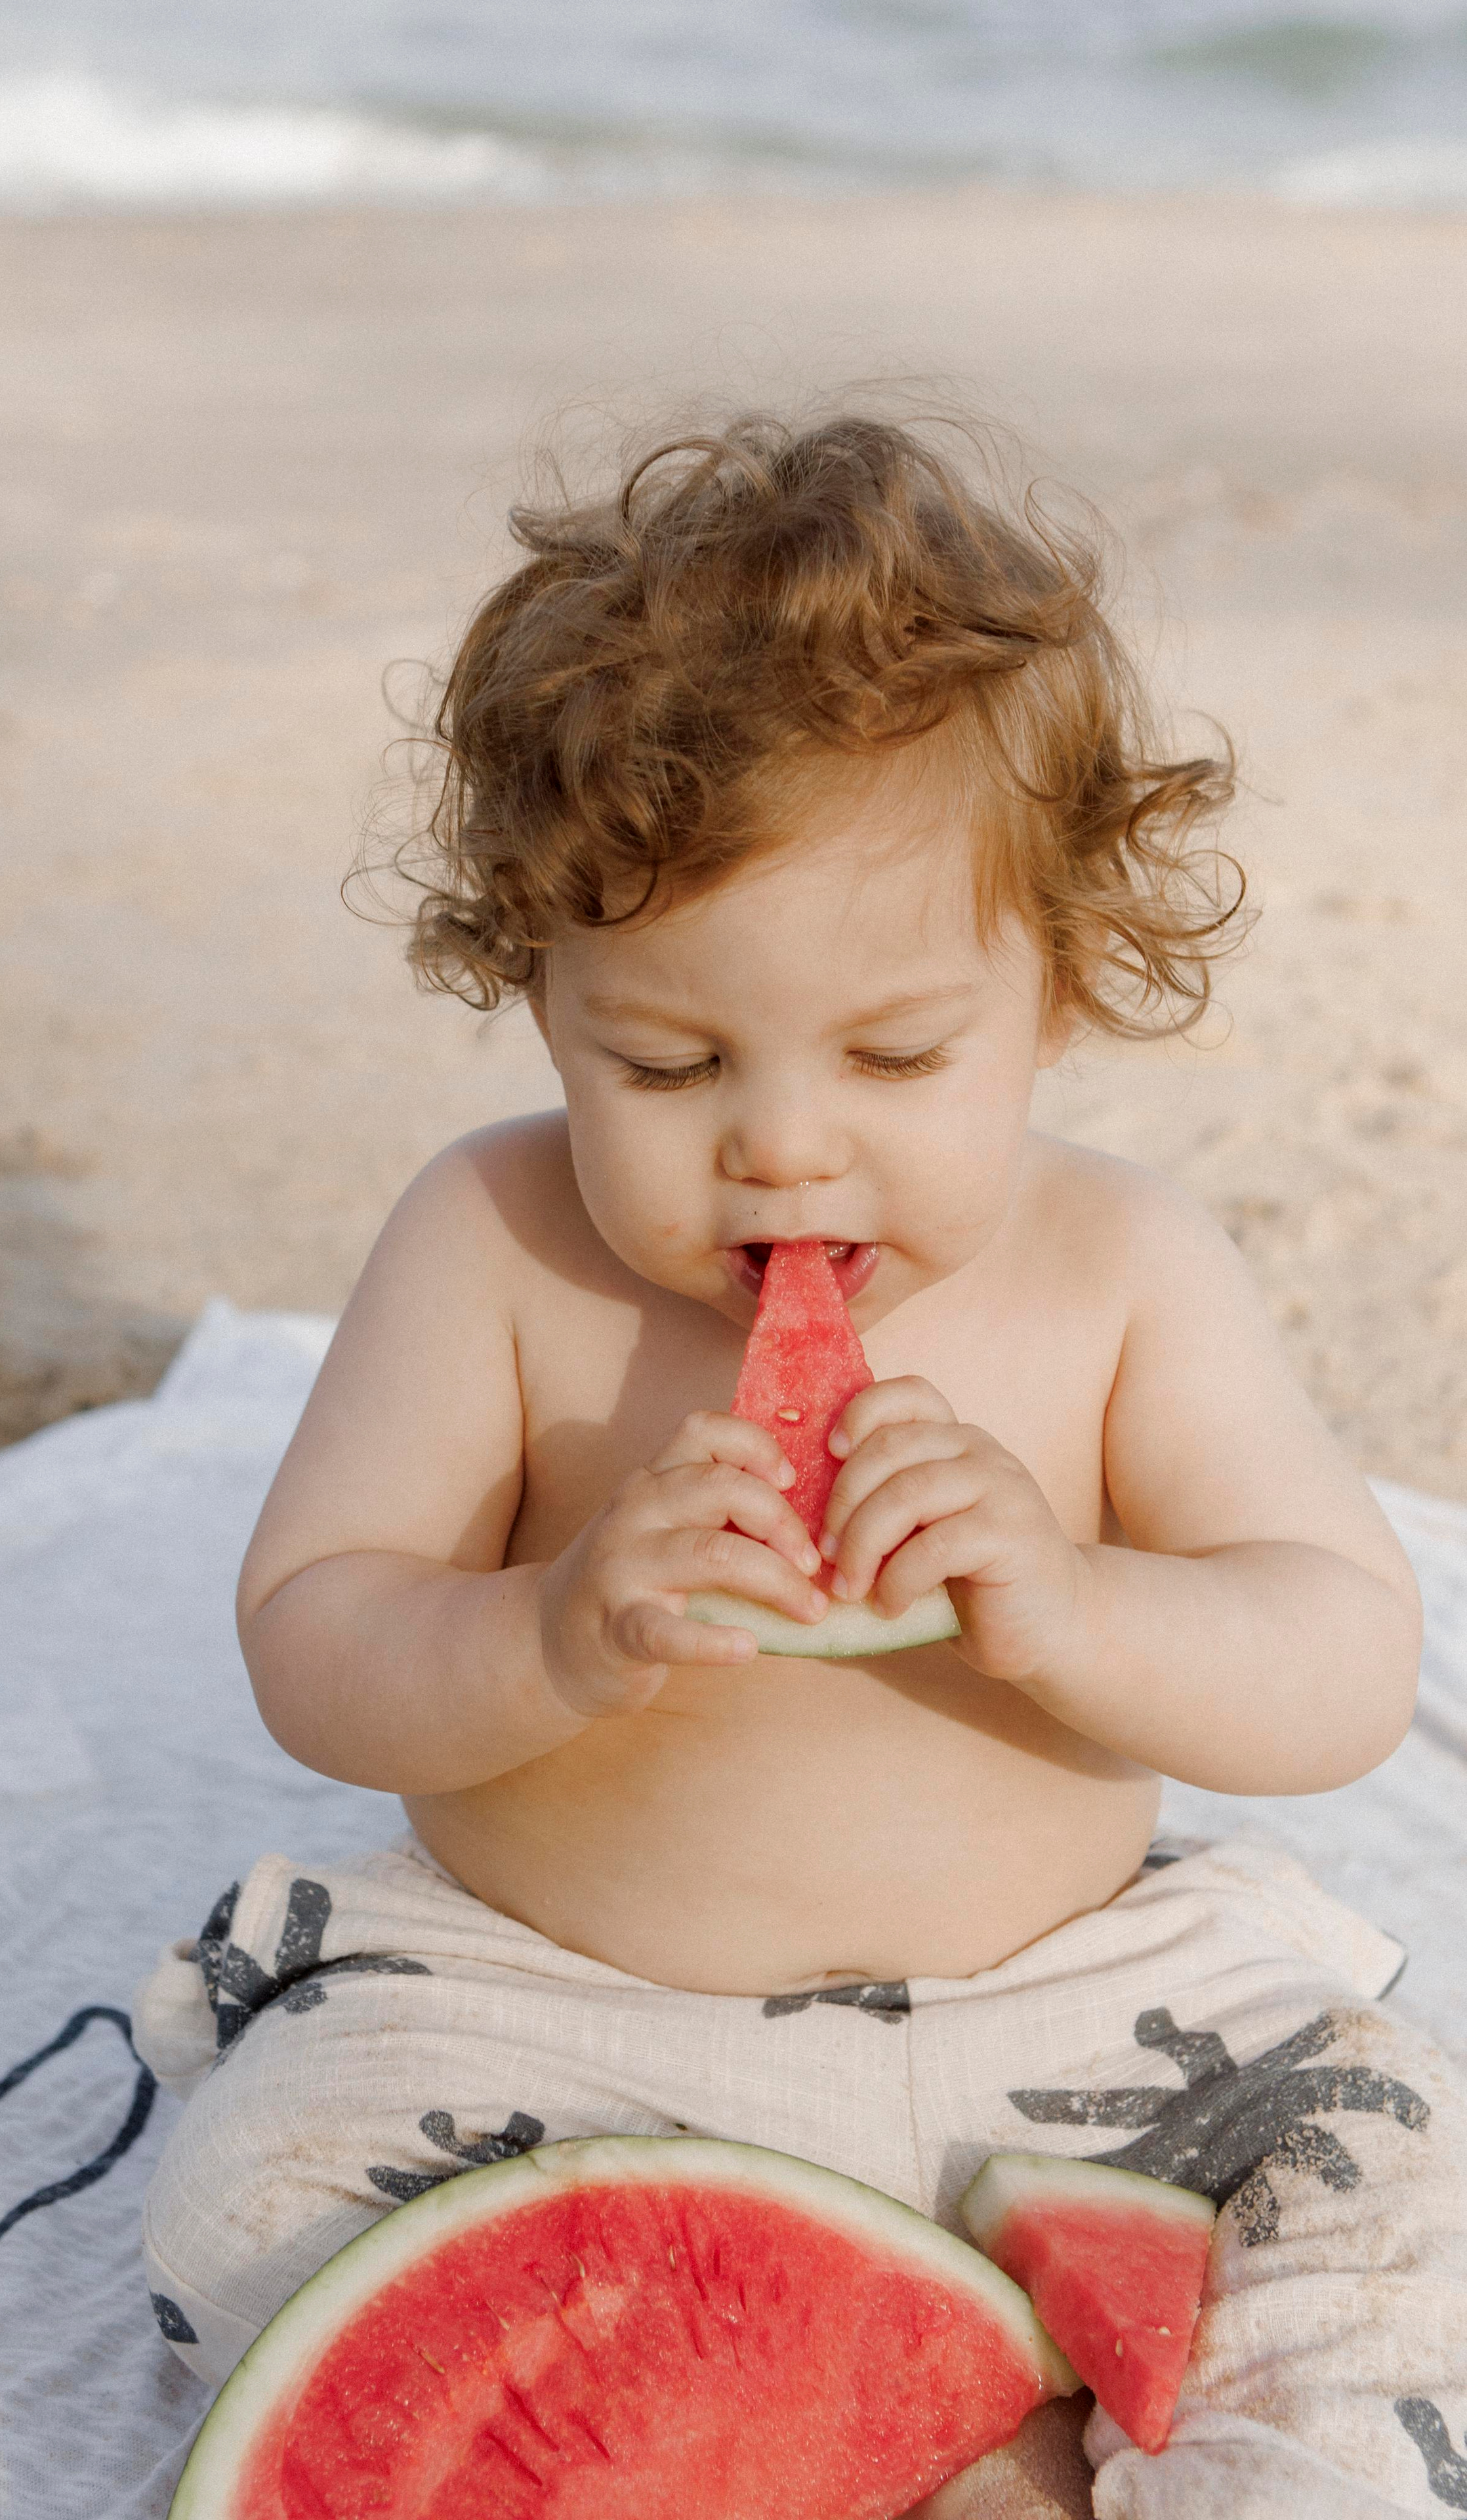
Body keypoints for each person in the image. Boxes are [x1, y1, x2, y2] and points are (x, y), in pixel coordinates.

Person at [133, 413, 1467, 2515]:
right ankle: (905, 2418)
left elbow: (1337, 1661)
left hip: (1091, 2019)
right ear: (540, 992)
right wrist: (550, 1637)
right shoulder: (487, 1245)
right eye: (664, 1063)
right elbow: (319, 1633)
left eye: (897, 1054)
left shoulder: (1126, 1268)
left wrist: (1085, 1606)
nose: (780, 1140)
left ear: (1065, 984)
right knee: (249, 2196)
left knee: (1400, 2169)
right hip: (549, 2018)